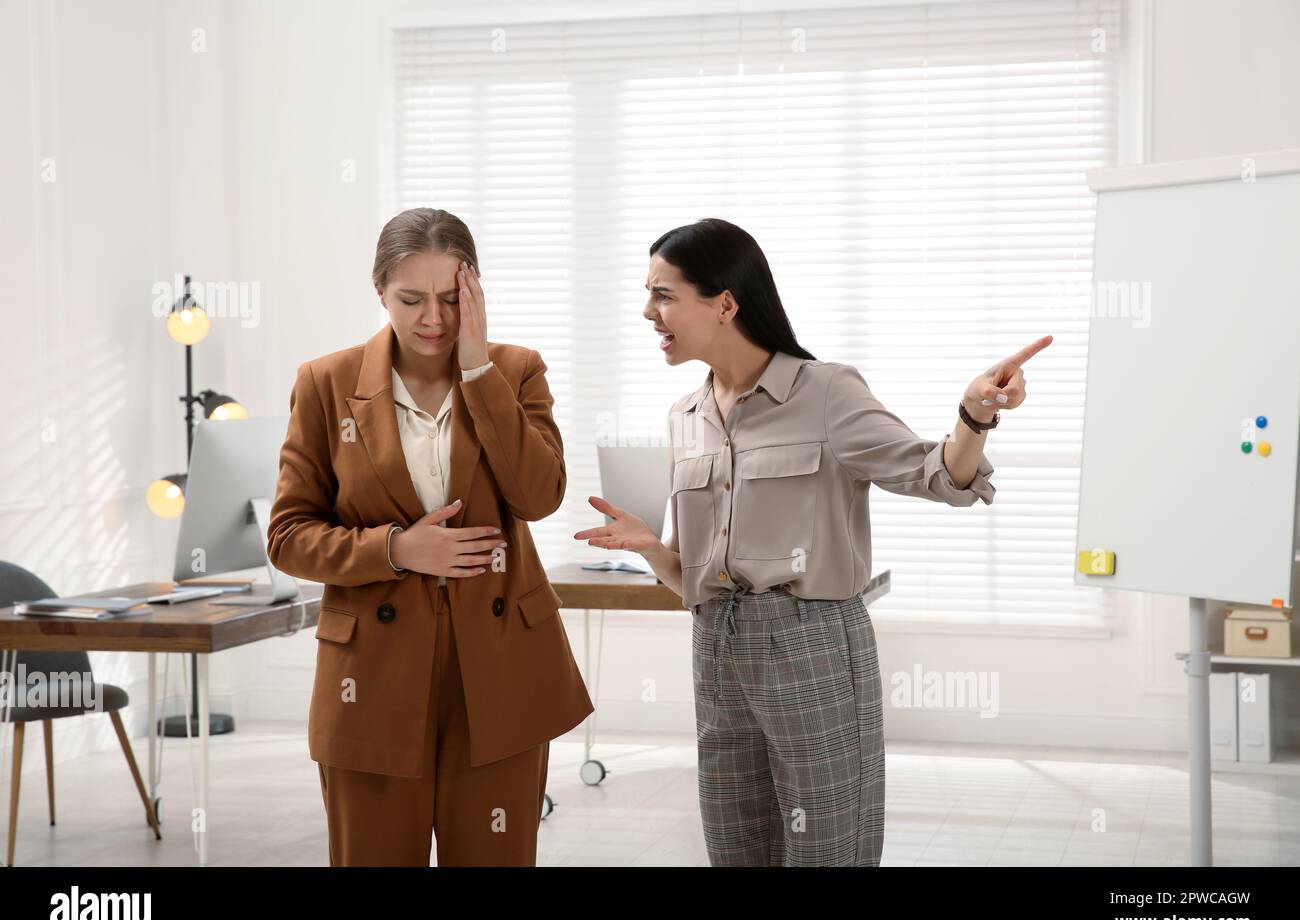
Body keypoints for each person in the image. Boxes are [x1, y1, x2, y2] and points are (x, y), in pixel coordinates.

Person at [576, 218, 1049, 866]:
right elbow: (695, 577)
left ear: (724, 302)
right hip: (715, 646)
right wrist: (652, 549)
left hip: (812, 645)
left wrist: (974, 416)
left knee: (829, 843)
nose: (647, 311)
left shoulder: (825, 392)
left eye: (663, 294)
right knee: (736, 844)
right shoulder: (685, 417)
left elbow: (940, 474)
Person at [268, 207, 592, 866]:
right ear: (379, 289)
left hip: (499, 673)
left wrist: (478, 372)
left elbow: (538, 496)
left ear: (475, 293)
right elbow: (289, 535)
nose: (433, 319)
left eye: (451, 299)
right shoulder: (325, 384)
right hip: (373, 680)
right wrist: (395, 548)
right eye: (411, 299)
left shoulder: (517, 370)